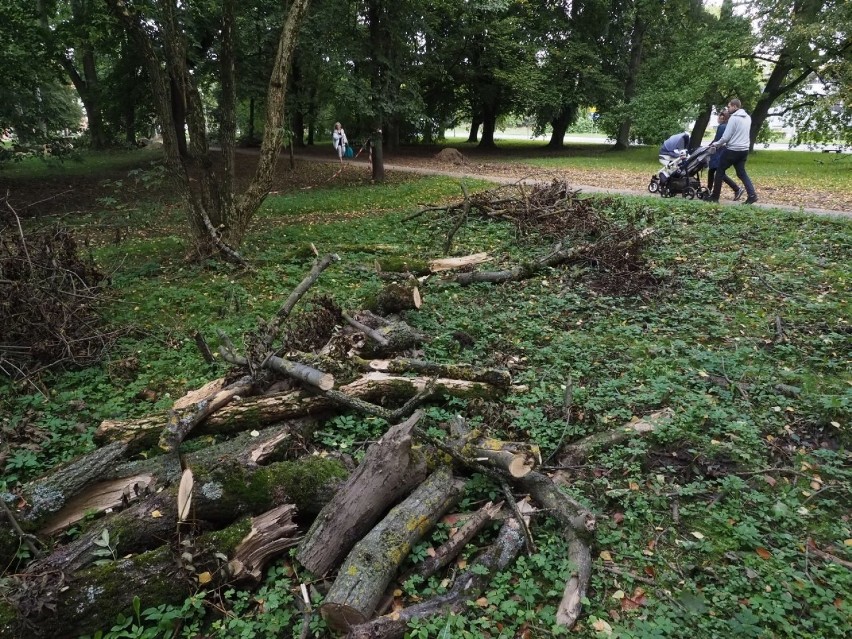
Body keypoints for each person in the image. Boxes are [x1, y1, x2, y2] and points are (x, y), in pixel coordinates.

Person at [708, 99, 758, 204]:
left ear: (735, 107)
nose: (728, 108)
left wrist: (716, 144)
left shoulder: (733, 118)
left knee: (719, 172)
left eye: (729, 106)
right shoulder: (748, 118)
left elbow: (726, 137)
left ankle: (714, 197)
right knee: (741, 173)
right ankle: (752, 195)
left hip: (733, 150)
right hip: (744, 150)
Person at [707, 110, 744, 200]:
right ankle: (708, 190)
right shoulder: (726, 126)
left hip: (718, 151)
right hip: (722, 150)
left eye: (719, 116)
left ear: (722, 117)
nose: (717, 118)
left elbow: (718, 139)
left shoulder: (722, 127)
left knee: (719, 173)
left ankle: (736, 189)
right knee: (712, 171)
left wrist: (710, 145)